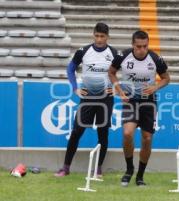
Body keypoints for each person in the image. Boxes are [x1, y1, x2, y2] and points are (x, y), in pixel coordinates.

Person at [54, 22, 117, 177]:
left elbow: (126, 72)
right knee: (76, 132)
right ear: (93, 34)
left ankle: (98, 168)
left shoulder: (114, 53)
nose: (99, 39)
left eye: (102, 36)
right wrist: (75, 88)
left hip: (105, 98)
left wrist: (116, 88)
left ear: (107, 36)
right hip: (88, 97)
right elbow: (70, 68)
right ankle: (66, 168)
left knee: (103, 133)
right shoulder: (84, 51)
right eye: (97, 36)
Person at [108, 30, 170, 186]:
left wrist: (155, 87)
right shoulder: (123, 56)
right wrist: (119, 90)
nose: (142, 50)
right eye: (138, 46)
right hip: (130, 101)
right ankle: (129, 170)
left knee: (147, 138)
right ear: (132, 45)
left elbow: (166, 78)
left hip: (148, 102)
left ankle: (140, 176)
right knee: (128, 133)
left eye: (145, 46)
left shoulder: (155, 58)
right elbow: (111, 72)